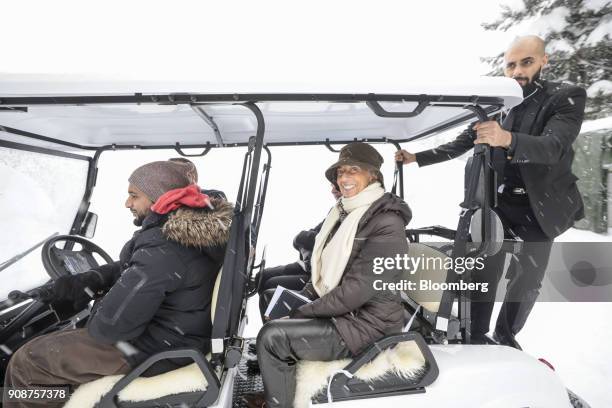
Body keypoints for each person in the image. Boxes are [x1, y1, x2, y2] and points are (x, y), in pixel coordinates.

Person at [395, 35, 586, 348]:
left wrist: (506, 138)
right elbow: (461, 142)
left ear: (543, 61)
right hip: (497, 202)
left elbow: (553, 147)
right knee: (484, 267)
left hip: (541, 206)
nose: (517, 71)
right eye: (511, 64)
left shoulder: (565, 97)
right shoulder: (497, 101)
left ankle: (506, 335)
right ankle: (477, 333)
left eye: (526, 62)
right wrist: (417, 158)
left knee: (528, 280)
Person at [3, 160, 233, 408]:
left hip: (153, 348)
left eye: (134, 196)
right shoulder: (178, 233)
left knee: (29, 362)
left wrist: (97, 300)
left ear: (159, 199)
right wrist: (92, 279)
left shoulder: (164, 245)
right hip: (175, 335)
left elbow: (108, 328)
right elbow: (139, 267)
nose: (127, 203)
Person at [244, 142, 412, 408]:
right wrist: (303, 297)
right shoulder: (346, 212)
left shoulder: (387, 223)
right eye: (341, 172)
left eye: (353, 171)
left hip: (369, 325)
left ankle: (277, 402)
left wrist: (303, 311)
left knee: (273, 337)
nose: (343, 178)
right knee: (275, 300)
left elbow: (356, 290)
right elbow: (324, 270)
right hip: (349, 314)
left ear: (373, 176)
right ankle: (278, 383)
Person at [255, 185, 342, 321]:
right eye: (332, 185)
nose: (332, 190)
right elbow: (308, 236)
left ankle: (277, 334)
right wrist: (305, 238)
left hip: (318, 273)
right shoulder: (336, 210)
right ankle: (273, 329)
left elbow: (320, 241)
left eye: (336, 186)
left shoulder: (347, 216)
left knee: (270, 286)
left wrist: (305, 238)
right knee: (262, 276)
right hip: (308, 265)